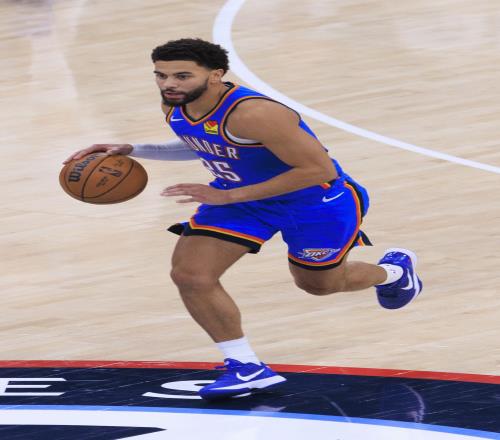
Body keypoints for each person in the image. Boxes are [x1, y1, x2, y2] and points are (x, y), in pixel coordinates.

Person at [64, 38, 423, 400]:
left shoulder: (255, 114)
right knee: (190, 274)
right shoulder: (176, 103)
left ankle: (394, 273)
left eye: (182, 76)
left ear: (216, 75)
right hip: (241, 199)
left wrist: (227, 196)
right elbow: (202, 142)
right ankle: (246, 366)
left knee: (319, 285)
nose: (169, 84)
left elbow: (318, 170)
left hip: (314, 201)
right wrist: (133, 149)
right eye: (161, 75)